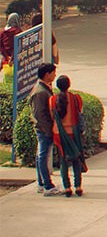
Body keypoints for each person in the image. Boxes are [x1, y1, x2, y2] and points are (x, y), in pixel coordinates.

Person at [50, 75, 86, 197]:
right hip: (73, 132)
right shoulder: (76, 99)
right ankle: (78, 186)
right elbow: (79, 113)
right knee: (76, 158)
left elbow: (51, 116)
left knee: (63, 160)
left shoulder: (52, 100)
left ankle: (67, 187)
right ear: (69, 85)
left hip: (59, 134)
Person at [32, 63, 62, 196]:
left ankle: (41, 183)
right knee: (43, 156)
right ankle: (47, 185)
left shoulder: (44, 89)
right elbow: (40, 115)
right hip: (44, 130)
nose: (55, 75)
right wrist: (49, 131)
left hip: (45, 129)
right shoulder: (40, 92)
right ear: (46, 74)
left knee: (41, 156)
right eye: (53, 73)